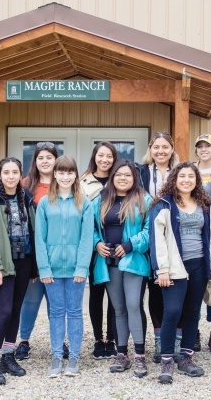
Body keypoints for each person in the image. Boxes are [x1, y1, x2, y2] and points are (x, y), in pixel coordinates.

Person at [150, 162, 211, 384]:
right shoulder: (164, 204)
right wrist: (161, 269)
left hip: (199, 265)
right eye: (182, 176)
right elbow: (157, 240)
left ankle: (186, 358)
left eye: (191, 177)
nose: (186, 180)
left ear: (197, 180)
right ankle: (166, 360)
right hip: (174, 268)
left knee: (193, 313)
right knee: (172, 312)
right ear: (175, 178)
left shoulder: (205, 205)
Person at [0, 157, 36, 385]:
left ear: (20, 174)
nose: (11, 176)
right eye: (6, 172)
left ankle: (8, 356)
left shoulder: (27, 198)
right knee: (4, 311)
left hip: (23, 262)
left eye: (15, 172)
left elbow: (33, 230)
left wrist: (34, 267)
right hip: (3, 263)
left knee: (16, 310)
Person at [92, 160, 152, 377]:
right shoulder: (101, 199)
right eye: (119, 175)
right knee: (118, 309)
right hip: (110, 262)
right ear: (112, 177)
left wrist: (130, 245)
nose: (123, 178)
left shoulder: (144, 199)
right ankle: (122, 354)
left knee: (133, 305)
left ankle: (139, 356)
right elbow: (89, 227)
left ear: (134, 178)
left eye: (127, 175)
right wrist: (96, 243)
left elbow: (150, 230)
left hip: (134, 261)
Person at [35, 156, 93, 378]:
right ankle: (57, 356)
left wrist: (81, 268)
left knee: (75, 312)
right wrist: (44, 268)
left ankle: (75, 357)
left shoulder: (84, 202)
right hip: (52, 269)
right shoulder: (44, 202)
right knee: (57, 312)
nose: (65, 176)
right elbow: (39, 238)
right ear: (55, 174)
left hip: (76, 270)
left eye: (70, 172)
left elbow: (87, 238)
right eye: (61, 172)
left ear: (75, 175)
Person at [14, 142, 69, 361]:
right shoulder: (24, 185)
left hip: (57, 254)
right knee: (30, 300)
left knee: (56, 303)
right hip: (31, 254)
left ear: (56, 160)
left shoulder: (64, 185)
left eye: (49, 157)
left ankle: (59, 342)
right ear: (34, 161)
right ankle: (23, 341)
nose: (45, 161)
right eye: (40, 158)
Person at [135, 131, 180, 363]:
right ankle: (160, 339)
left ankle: (178, 341)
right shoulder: (140, 172)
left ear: (172, 149)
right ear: (150, 149)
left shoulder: (180, 172)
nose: (160, 151)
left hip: (175, 234)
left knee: (176, 287)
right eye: (156, 147)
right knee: (155, 290)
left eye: (165, 147)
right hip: (149, 233)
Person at [81, 142, 118, 360]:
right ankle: (98, 339)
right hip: (95, 247)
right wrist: (95, 243)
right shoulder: (83, 182)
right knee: (96, 294)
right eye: (101, 155)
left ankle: (112, 339)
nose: (105, 160)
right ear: (94, 157)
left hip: (116, 247)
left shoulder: (121, 179)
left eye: (109, 156)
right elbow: (83, 218)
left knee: (114, 295)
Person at [193, 133, 211, 353]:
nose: (204, 150)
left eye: (208, 146)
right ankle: (192, 331)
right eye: (200, 146)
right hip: (194, 228)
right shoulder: (190, 170)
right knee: (193, 285)